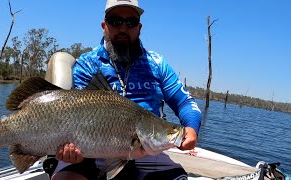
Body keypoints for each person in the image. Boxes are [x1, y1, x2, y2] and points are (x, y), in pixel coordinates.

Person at [51, 0, 202, 179]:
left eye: (130, 22)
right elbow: (79, 113)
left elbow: (184, 102)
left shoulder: (157, 64)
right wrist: (68, 150)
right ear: (104, 25)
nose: (123, 28)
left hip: (146, 151)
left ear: (139, 27)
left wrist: (191, 129)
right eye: (115, 21)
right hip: (89, 152)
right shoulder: (87, 64)